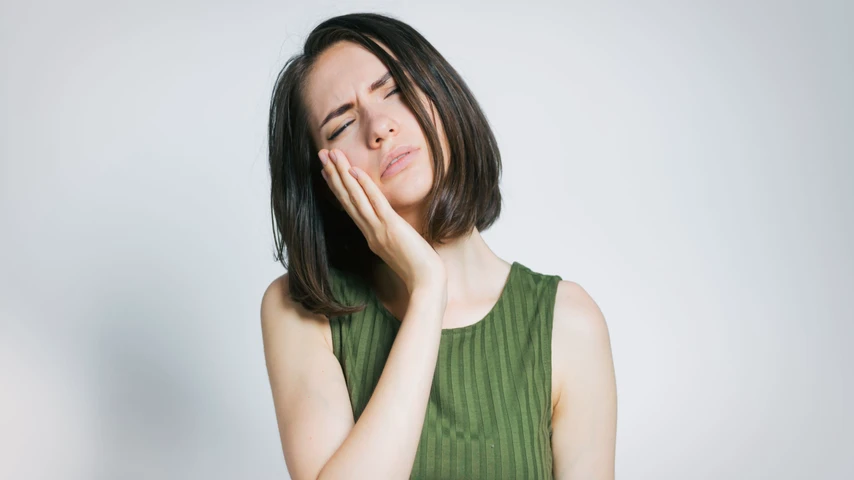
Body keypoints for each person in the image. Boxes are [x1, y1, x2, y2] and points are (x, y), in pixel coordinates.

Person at [260, 12, 617, 480]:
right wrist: (428, 289)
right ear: (324, 182)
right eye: (341, 125)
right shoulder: (300, 310)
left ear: (441, 94)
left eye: (394, 91)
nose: (379, 127)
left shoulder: (567, 321)